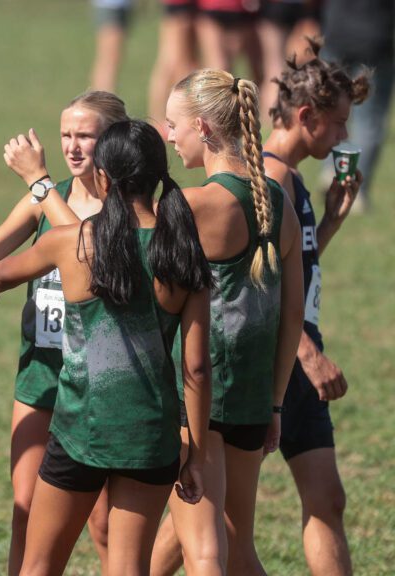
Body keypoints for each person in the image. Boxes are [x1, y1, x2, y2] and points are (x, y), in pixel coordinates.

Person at [0, 119, 214, 576]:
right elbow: (196, 369)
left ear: (102, 177)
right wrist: (196, 455)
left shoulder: (73, 242)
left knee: (38, 565)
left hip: (80, 432)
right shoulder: (183, 253)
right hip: (152, 439)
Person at [0, 90, 127, 576]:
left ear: (111, 139)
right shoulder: (44, 199)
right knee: (25, 506)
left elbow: (89, 256)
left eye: (86, 136)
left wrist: (39, 182)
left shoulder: (124, 205)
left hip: (99, 380)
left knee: (101, 523)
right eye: (66, 136)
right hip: (42, 372)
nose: (73, 147)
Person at [150, 69, 304, 576]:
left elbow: (151, 298)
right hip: (253, 399)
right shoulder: (278, 205)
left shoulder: (188, 204)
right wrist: (276, 401)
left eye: (174, 126)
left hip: (191, 396)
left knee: (207, 553)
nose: (169, 136)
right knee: (237, 547)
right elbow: (291, 316)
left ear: (203, 127)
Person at [262, 43, 369, 575]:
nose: (345, 136)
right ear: (307, 117)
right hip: (274, 364)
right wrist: (307, 354)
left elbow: (290, 269)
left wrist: (328, 224)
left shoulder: (294, 178)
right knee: (215, 506)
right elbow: (258, 286)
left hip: (296, 360)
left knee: (327, 500)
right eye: (339, 123)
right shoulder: (270, 181)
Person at [319, 0, 394, 212]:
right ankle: (354, 189)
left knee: (330, 109)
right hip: (375, 38)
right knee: (369, 120)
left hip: (336, 34)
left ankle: (331, 172)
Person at [148, 0, 199, 137]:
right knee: (178, 63)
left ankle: (159, 121)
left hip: (180, 5)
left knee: (171, 60)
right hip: (181, 5)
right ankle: (171, 121)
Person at [89, 0, 134, 92]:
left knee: (112, 59)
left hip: (121, 5)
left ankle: (100, 102)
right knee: (109, 59)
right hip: (110, 6)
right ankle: (102, 103)